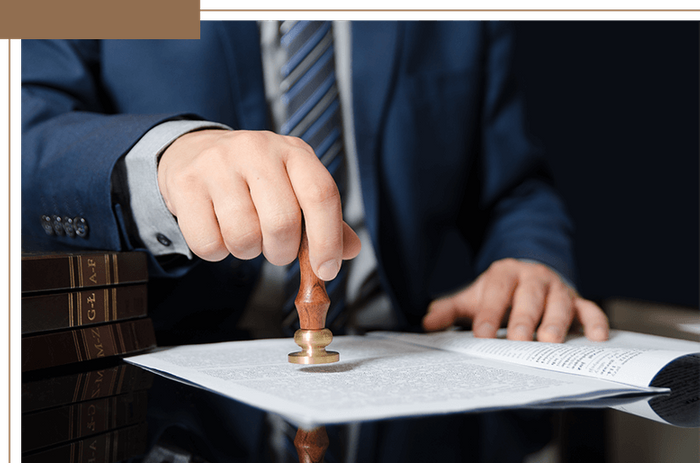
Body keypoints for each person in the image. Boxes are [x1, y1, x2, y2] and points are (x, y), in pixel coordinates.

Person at [20, 19, 609, 462]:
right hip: (152, 397)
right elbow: (26, 126)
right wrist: (165, 157)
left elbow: (515, 187)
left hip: (405, 402)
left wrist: (528, 259)